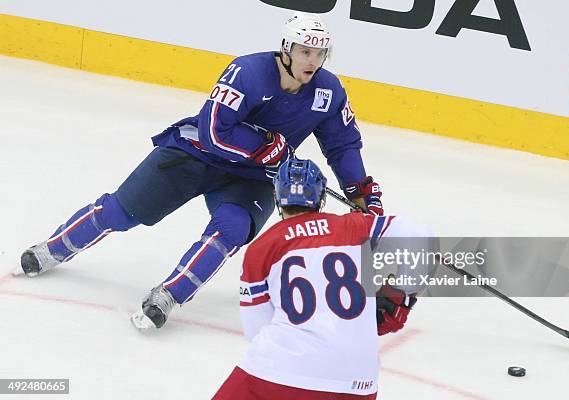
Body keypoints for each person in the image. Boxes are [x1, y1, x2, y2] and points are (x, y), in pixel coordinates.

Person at [19, 12, 384, 329]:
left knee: (233, 229)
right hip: (194, 155)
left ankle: (168, 295)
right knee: (122, 212)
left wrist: (359, 190)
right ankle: (52, 249)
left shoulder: (329, 91)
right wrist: (263, 147)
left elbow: (342, 145)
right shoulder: (248, 72)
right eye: (305, 51)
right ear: (286, 49)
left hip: (252, 177)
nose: (313, 61)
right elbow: (213, 132)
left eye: (320, 53)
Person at [213, 158, 431, 400]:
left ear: (278, 198)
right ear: (320, 197)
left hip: (280, 376)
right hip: (359, 383)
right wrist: (400, 295)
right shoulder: (356, 226)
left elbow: (256, 330)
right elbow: (421, 238)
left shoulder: (262, 247)